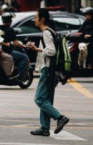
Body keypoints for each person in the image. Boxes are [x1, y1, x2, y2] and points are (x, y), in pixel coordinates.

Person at [26, 8, 69, 136]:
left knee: (39, 99)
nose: (34, 19)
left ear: (42, 19)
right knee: (46, 100)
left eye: (36, 17)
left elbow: (51, 51)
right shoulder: (50, 31)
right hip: (52, 70)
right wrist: (35, 48)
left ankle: (60, 117)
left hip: (48, 70)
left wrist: (37, 49)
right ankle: (45, 128)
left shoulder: (46, 32)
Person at [0, 12, 29, 79]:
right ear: (10, 21)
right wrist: (24, 46)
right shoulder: (10, 30)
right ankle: (18, 76)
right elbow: (16, 43)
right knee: (24, 58)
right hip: (8, 52)